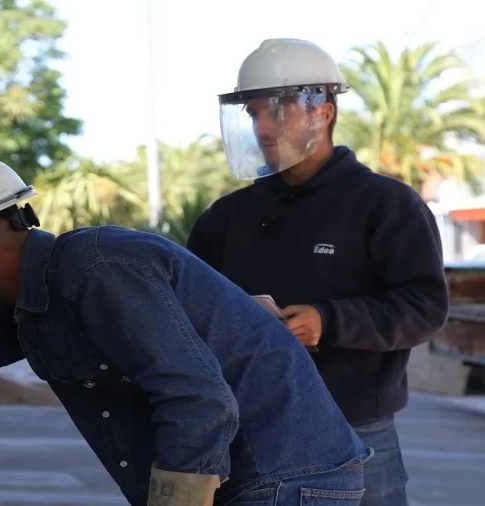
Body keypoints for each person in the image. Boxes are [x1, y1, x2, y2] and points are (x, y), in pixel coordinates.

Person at [0, 154, 372, 506]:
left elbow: (196, 399)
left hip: (288, 481)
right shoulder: (30, 306)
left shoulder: (98, 267)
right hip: (255, 481)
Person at [186, 38, 449, 506]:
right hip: (250, 431)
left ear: (322, 112)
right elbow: (190, 310)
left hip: (357, 431)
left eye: (277, 112)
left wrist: (328, 321)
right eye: (253, 113)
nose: (263, 127)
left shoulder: (386, 205)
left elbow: (424, 308)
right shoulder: (226, 218)